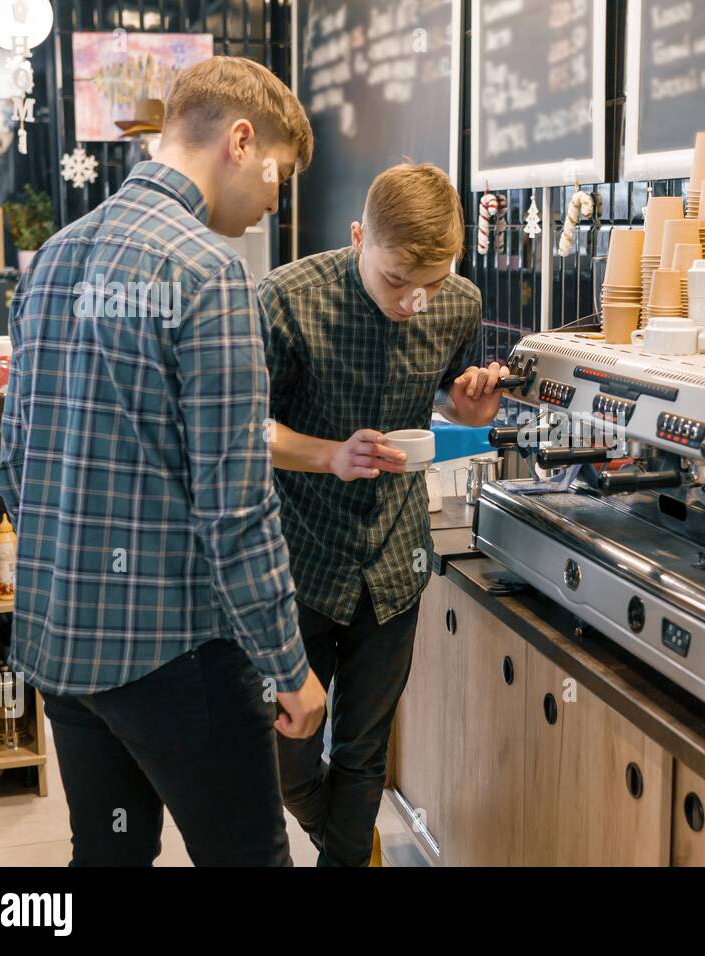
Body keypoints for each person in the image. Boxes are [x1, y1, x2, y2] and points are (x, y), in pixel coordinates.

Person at [0, 57, 327, 867]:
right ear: (240, 142)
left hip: (61, 648)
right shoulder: (213, 276)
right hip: (174, 655)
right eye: (280, 173)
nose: (278, 198)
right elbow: (237, 511)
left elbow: (13, 467)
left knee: (108, 857)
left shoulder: (54, 262)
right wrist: (291, 668)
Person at [257, 162, 507, 866]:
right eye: (396, 281)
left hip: (393, 562)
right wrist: (331, 454)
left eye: (428, 285)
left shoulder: (456, 303)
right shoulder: (286, 300)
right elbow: (243, 429)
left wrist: (468, 409)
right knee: (288, 755)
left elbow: (445, 400)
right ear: (358, 235)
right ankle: (347, 839)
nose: (411, 302)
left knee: (365, 754)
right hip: (299, 559)